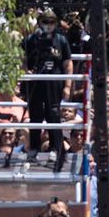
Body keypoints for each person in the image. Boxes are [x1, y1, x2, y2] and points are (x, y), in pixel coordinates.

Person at [23, 10, 71, 169]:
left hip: (54, 82)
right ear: (39, 23)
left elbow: (67, 63)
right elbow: (22, 58)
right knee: (35, 115)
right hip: (35, 81)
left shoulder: (61, 40)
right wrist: (25, 71)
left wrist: (68, 86)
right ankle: (34, 149)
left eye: (51, 22)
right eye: (45, 22)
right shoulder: (31, 39)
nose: (48, 25)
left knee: (53, 115)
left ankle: (55, 149)